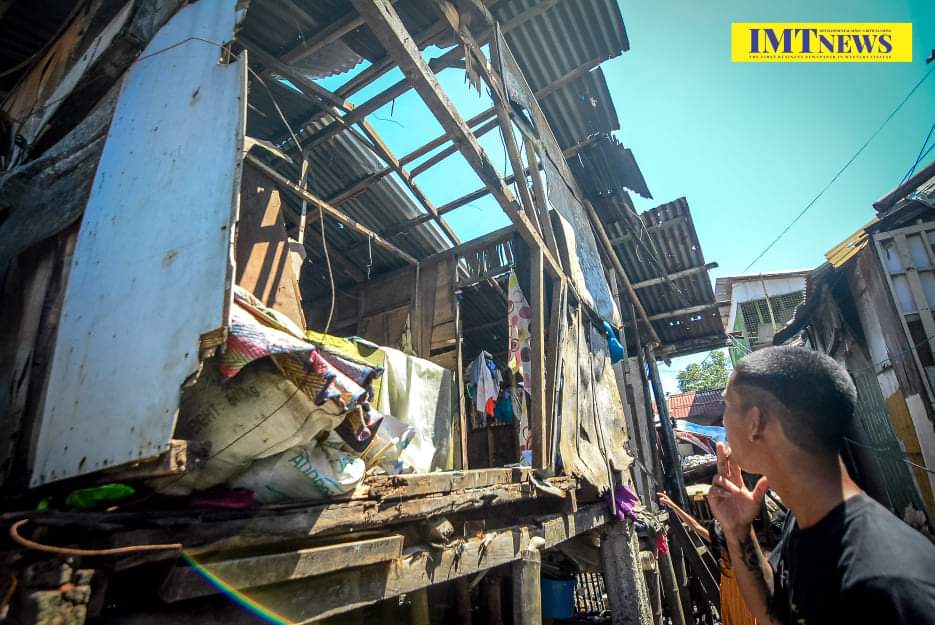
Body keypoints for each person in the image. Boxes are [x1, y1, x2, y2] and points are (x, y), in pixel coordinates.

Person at [707, 346, 935, 624]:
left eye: (727, 405)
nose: (723, 421)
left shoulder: (886, 584)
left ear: (755, 422)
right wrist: (738, 530)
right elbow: (777, 613)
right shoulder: (801, 525)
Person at [657, 491, 758, 625]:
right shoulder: (721, 547)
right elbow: (696, 527)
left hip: (746, 609)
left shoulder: (743, 558)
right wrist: (673, 506)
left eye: (722, 549)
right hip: (730, 603)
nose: (721, 553)